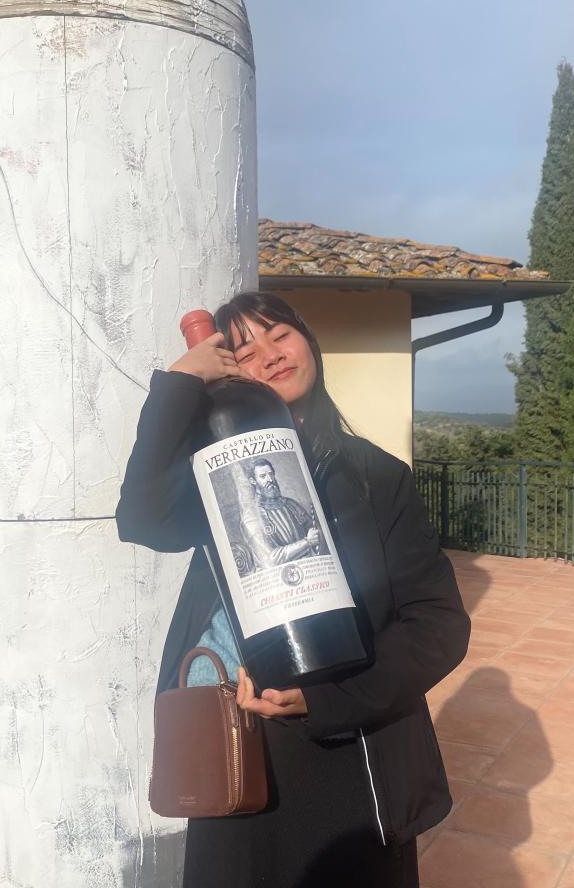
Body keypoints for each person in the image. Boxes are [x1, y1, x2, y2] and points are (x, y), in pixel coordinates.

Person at [116, 292, 470, 888]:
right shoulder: (217, 470)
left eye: (279, 335)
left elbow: (438, 623)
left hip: (355, 752)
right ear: (230, 373)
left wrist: (328, 700)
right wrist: (180, 384)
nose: (270, 354)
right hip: (239, 745)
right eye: (245, 350)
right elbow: (143, 518)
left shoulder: (379, 477)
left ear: (308, 342)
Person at [240, 458, 327, 568]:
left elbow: (317, 533)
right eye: (263, 476)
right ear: (253, 481)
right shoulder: (251, 517)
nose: (270, 480)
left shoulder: (291, 504)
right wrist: (307, 542)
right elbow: (270, 559)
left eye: (271, 474)